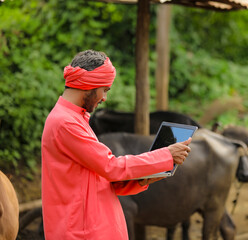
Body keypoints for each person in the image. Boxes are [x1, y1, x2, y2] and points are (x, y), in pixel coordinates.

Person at [41, 50, 192, 240]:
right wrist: (165, 155)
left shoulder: (73, 119)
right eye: (105, 89)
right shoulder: (66, 123)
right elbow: (111, 167)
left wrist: (143, 178)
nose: (104, 98)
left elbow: (94, 179)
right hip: (82, 231)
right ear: (89, 85)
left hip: (91, 226)